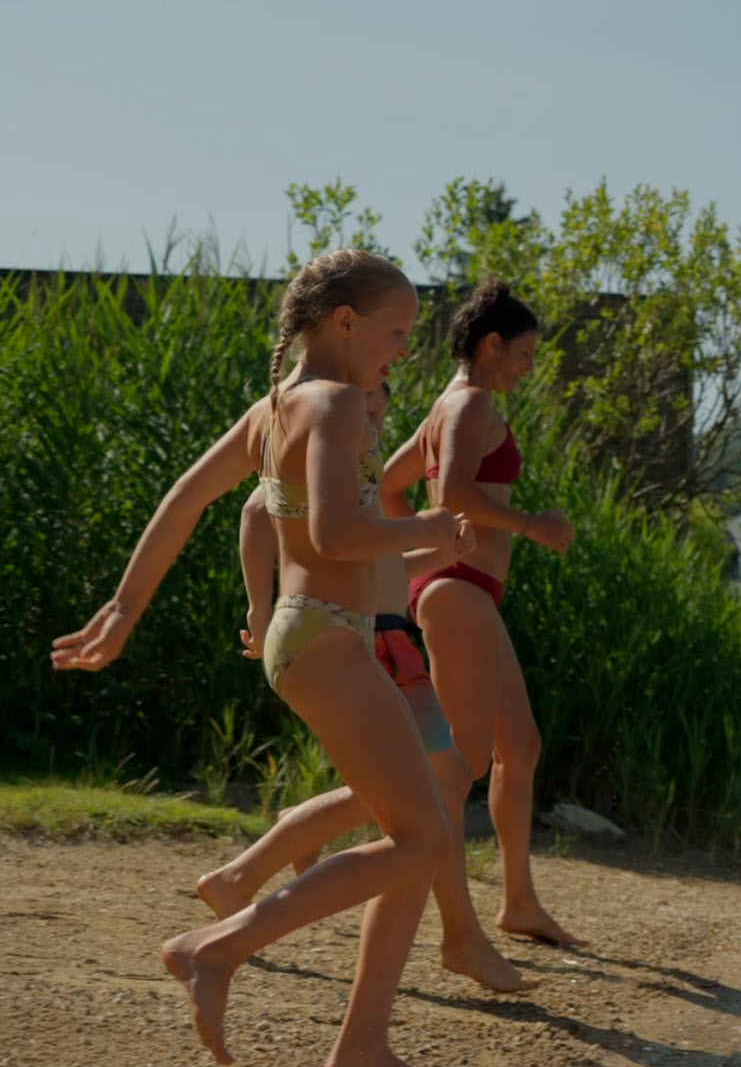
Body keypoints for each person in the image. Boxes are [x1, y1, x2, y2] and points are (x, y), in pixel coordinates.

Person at [52, 249, 475, 1067]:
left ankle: (259, 958)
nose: (402, 350)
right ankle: (216, 949)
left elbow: (186, 499)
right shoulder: (337, 402)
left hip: (307, 632)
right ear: (343, 322)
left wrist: (124, 607)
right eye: (396, 332)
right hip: (324, 634)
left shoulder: (275, 406)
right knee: (422, 839)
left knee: (418, 822)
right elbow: (336, 537)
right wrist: (428, 529)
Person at [198, 381, 535, 994]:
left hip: (389, 637)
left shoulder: (362, 475)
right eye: (370, 409)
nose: (378, 420)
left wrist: (435, 552)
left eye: (382, 409)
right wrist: (258, 605)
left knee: (433, 783)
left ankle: (244, 877)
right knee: (436, 787)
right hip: (372, 643)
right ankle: (460, 938)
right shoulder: (333, 461)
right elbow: (253, 511)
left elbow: (382, 571)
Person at [390, 279, 584, 948]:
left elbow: (389, 488)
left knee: (518, 747)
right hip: (457, 588)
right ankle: (448, 925)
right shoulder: (470, 403)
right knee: (457, 764)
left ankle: (519, 903)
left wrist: (403, 554)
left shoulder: (444, 407)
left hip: (461, 587)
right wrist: (532, 523)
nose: (530, 367)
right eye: (524, 352)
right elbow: (454, 493)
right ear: (491, 343)